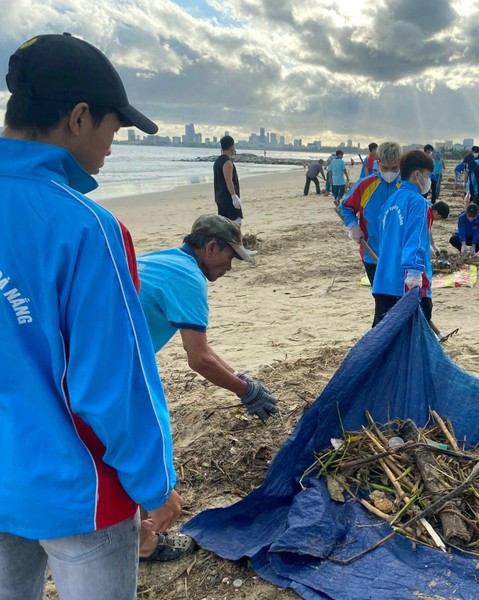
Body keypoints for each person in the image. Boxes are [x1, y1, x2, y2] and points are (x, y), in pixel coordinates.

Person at [0, 32, 182, 599]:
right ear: (79, 117)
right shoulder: (88, 228)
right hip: (79, 490)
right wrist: (156, 486)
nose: (113, 146)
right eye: (114, 127)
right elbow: (112, 385)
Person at [135, 214, 276, 560]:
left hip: (88, 350)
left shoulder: (168, 259)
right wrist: (244, 393)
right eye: (231, 256)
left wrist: (243, 380)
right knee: (147, 435)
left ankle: (137, 532)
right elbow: (197, 359)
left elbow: (204, 350)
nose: (231, 266)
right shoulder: (188, 279)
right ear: (211, 247)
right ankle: (144, 541)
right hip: (109, 360)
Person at [372, 150, 449, 327]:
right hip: (406, 284)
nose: (429, 179)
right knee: (412, 342)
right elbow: (415, 239)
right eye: (427, 174)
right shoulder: (419, 203)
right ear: (417, 175)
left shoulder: (390, 202)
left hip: (383, 281)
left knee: (382, 338)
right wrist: (414, 273)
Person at [340, 141, 403, 284]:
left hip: (400, 255)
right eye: (385, 167)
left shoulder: (406, 187)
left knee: (400, 300)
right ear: (378, 162)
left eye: (395, 168)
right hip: (371, 253)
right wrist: (353, 226)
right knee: (380, 299)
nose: (390, 172)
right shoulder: (365, 185)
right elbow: (345, 207)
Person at [214, 135, 243, 224]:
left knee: (224, 225)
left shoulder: (217, 161)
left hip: (220, 197)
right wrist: (234, 197)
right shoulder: (227, 162)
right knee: (236, 223)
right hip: (228, 198)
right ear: (231, 147)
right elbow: (228, 180)